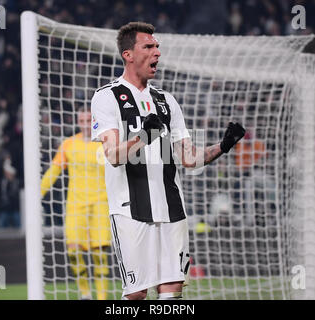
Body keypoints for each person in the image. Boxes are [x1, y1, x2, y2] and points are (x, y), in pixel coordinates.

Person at [91, 22, 245, 300]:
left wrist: (222, 147)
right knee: (136, 295)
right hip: (130, 210)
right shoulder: (107, 97)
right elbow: (112, 155)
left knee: (171, 294)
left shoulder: (166, 101)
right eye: (148, 47)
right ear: (128, 54)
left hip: (173, 209)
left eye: (157, 46)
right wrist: (144, 136)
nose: (157, 52)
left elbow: (188, 158)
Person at [41, 106, 111, 300]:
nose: (85, 124)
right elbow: (53, 171)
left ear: (95, 121)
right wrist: (37, 193)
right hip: (75, 205)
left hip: (101, 203)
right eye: (82, 121)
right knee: (73, 251)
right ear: (78, 122)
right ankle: (85, 293)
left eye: (89, 120)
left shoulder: (106, 143)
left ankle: (102, 298)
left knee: (99, 254)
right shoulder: (68, 144)